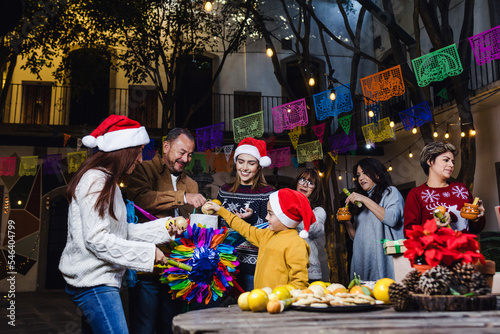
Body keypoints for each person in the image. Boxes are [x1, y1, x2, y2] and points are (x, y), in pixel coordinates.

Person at [59, 115, 180, 334]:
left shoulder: (107, 182)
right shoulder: (96, 181)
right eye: (138, 151)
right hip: (93, 283)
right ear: (123, 150)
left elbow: (121, 232)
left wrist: (165, 227)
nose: (141, 159)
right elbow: (97, 240)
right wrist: (149, 253)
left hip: (98, 281)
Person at [126, 128, 206, 334]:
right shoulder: (142, 170)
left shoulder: (192, 183)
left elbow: (192, 225)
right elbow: (142, 199)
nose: (186, 158)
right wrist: (182, 197)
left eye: (190, 154)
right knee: (143, 328)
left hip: (179, 270)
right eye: (181, 152)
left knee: (171, 327)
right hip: (148, 268)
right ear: (166, 146)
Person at [205, 188, 314, 289]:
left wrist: (283, 300)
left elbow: (300, 283)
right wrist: (220, 210)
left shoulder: (296, 244)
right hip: (262, 301)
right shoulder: (267, 234)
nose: (266, 218)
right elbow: (244, 228)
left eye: (270, 214)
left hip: (281, 305)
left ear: (285, 218)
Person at [216, 137, 274, 291]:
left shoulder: (267, 193)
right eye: (241, 161)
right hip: (223, 265)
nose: (245, 168)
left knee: (251, 311)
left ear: (259, 166)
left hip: (252, 267)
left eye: (251, 163)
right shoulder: (224, 191)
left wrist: (252, 218)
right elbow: (216, 226)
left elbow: (271, 230)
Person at [342, 158, 405, 281]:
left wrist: (365, 200)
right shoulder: (361, 201)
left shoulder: (390, 192)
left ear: (377, 174)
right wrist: (346, 221)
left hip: (382, 258)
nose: (360, 178)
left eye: (365, 173)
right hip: (363, 260)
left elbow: (392, 219)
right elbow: (357, 237)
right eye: (358, 175)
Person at [404, 141, 485, 236]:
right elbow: (408, 233)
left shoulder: (461, 189)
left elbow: (476, 229)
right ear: (430, 161)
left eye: (453, 162)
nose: (451, 165)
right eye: (446, 160)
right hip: (435, 250)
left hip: (464, 249)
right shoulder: (416, 194)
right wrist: (434, 225)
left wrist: (477, 218)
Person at [291, 168, 329, 282]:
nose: (305, 185)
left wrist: (290, 215)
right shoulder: (284, 204)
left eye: (310, 183)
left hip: (309, 270)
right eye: (302, 180)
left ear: (315, 189)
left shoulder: (318, 211)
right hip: (286, 266)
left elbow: (314, 228)